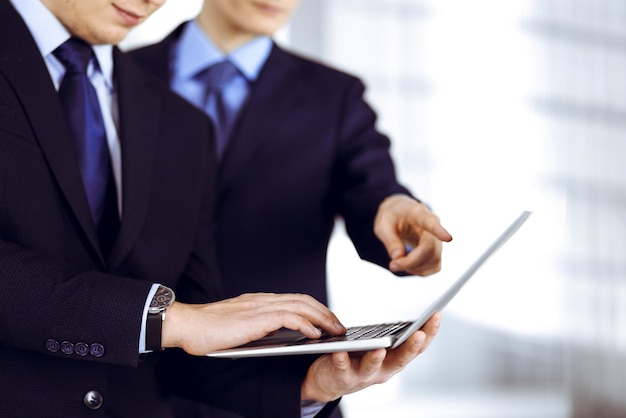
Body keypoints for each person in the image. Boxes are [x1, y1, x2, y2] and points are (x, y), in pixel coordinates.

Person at [0, 0, 442, 417]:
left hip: (226, 379)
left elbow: (368, 182)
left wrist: (308, 387)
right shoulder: (130, 64)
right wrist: (167, 319)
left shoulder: (178, 118)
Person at [130, 0, 453, 417]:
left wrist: (394, 209)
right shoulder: (115, 75)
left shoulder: (333, 95)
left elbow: (371, 185)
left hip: (287, 384)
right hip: (135, 382)